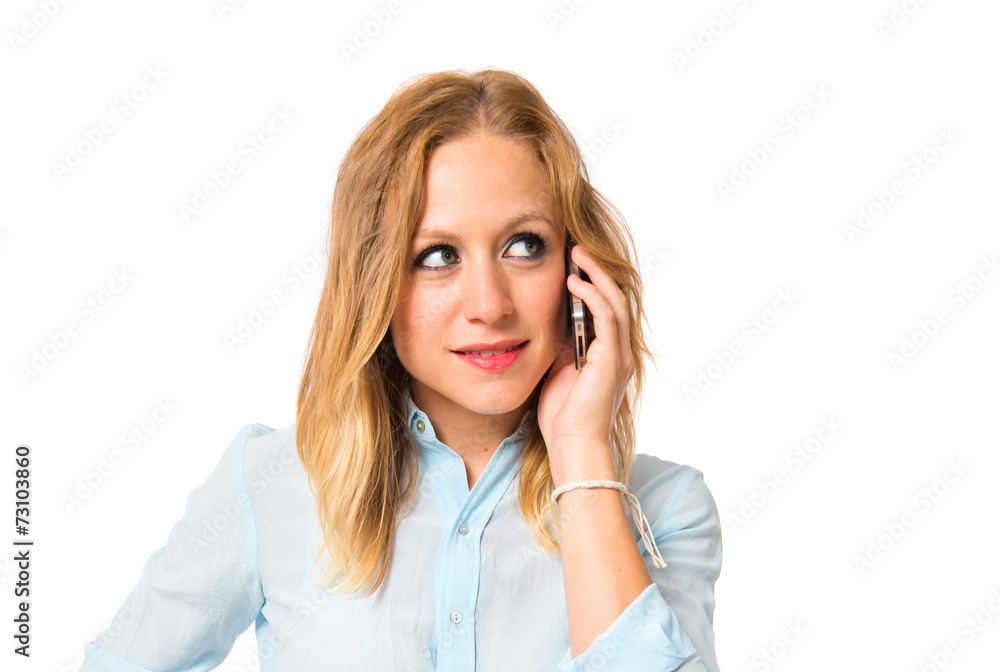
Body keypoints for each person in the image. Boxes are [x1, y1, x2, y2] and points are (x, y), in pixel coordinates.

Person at [80, 68, 722, 672]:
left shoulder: (665, 511)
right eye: (438, 256)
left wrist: (582, 458)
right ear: (375, 283)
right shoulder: (273, 483)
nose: (490, 305)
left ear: (578, 277)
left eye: (523, 246)